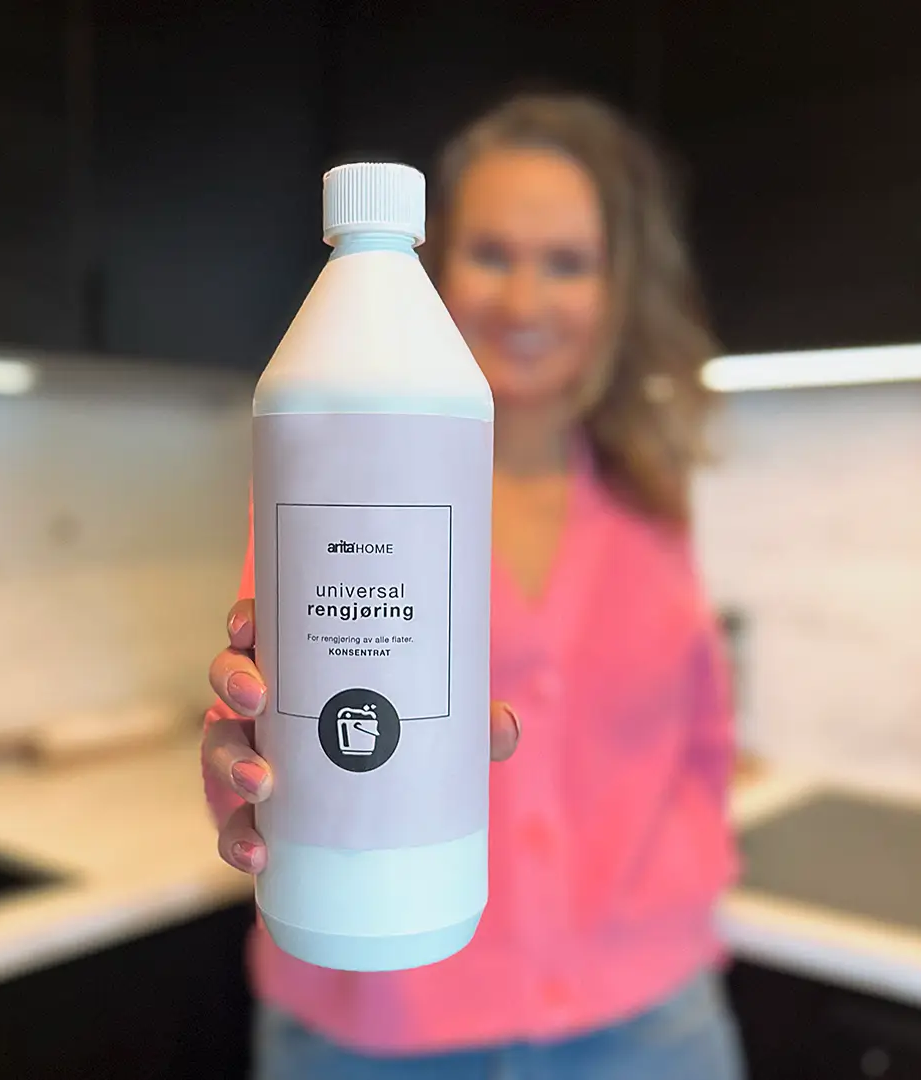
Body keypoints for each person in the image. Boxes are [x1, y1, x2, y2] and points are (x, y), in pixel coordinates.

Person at [203, 93, 744, 1079]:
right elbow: (275, 704)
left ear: (619, 287)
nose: (525, 302)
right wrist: (243, 771)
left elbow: (703, 740)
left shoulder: (650, 496)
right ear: (433, 257)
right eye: (493, 253)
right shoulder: (336, 471)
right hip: (376, 1029)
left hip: (650, 1018)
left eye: (567, 262)